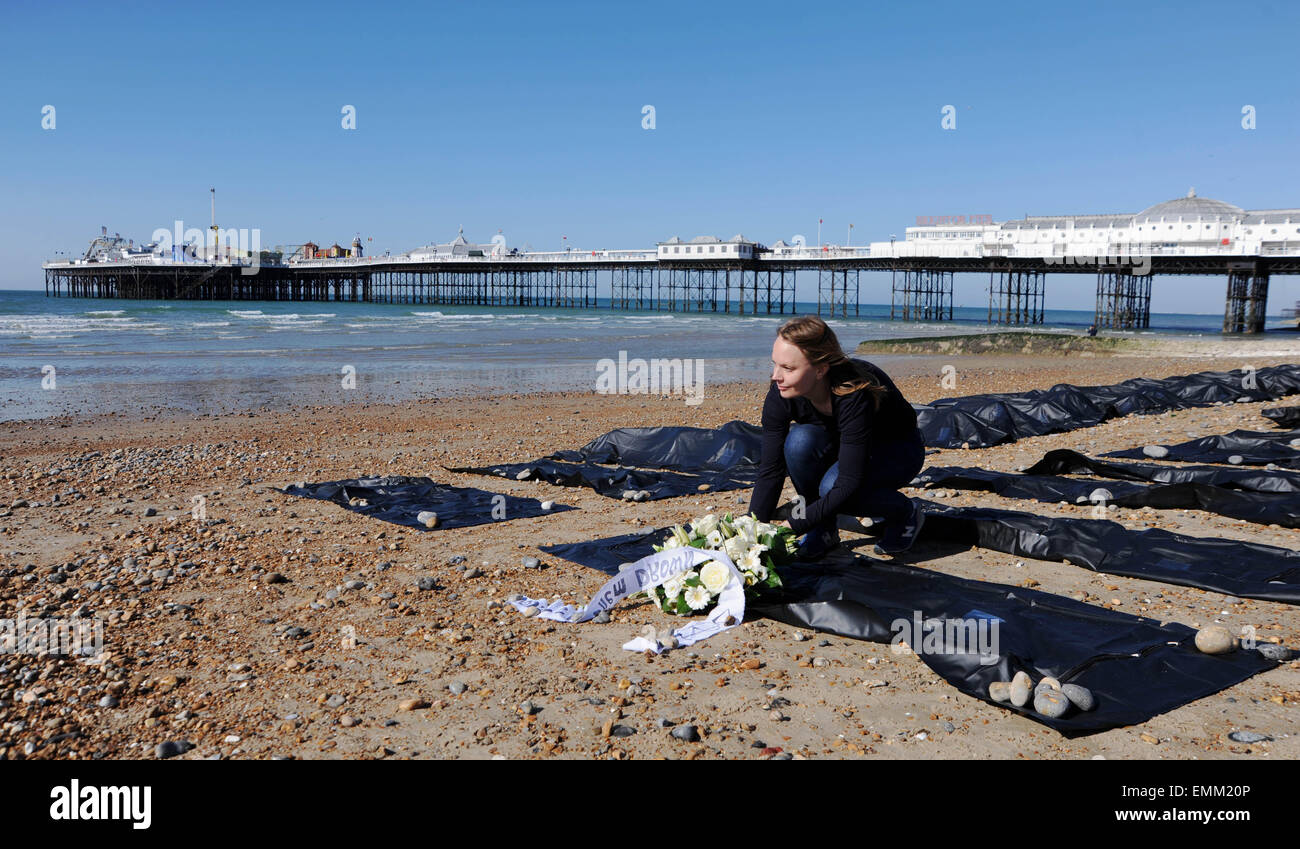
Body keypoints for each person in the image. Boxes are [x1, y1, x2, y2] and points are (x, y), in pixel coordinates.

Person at [748, 316, 926, 558]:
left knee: (832, 487)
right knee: (799, 442)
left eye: (788, 368)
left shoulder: (854, 391)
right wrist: (751, 531)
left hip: (897, 450)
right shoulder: (782, 391)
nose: (775, 376)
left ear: (821, 370)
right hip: (846, 446)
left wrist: (795, 525)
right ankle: (824, 530)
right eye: (775, 364)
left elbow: (847, 482)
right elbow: (770, 470)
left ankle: (905, 512)